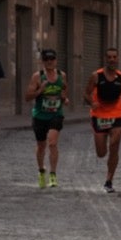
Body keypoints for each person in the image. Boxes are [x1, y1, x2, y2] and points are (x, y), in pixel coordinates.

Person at [84, 47, 121, 193]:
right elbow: (86, 94)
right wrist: (91, 102)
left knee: (114, 145)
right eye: (109, 57)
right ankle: (105, 157)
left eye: (114, 57)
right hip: (99, 115)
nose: (112, 59)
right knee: (101, 152)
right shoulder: (96, 76)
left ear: (118, 59)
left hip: (116, 115)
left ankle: (109, 180)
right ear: (105, 59)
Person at [25, 49, 70, 189]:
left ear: (56, 60)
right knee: (41, 146)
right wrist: (40, 90)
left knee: (52, 143)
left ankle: (53, 174)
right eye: (46, 59)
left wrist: (65, 99)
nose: (49, 62)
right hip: (39, 116)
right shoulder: (37, 77)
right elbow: (27, 97)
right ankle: (41, 171)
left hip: (56, 115)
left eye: (52, 59)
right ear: (42, 61)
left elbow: (64, 91)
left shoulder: (62, 75)